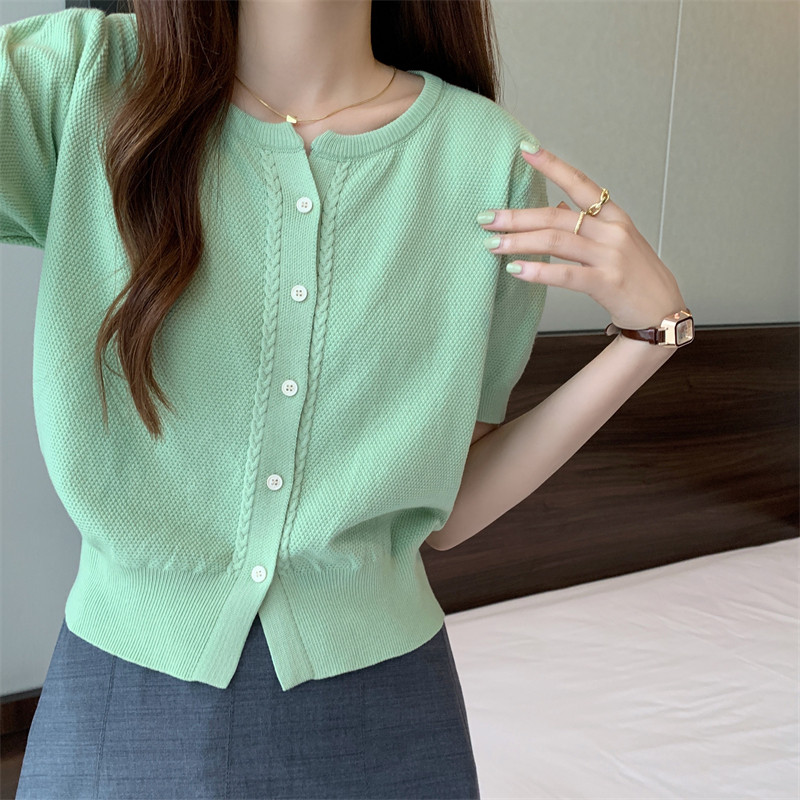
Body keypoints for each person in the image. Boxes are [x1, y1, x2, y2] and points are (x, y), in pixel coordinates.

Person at [3, 0, 689, 798]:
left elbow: (450, 508)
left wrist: (649, 337)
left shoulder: (485, 158)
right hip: (119, 698)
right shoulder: (84, 79)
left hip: (387, 717)